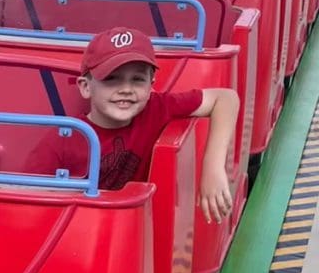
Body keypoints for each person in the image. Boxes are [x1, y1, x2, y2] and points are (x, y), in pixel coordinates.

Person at [26, 26, 238, 223]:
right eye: (112, 79)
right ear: (86, 87)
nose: (126, 89)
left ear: (151, 86)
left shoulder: (156, 108)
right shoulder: (62, 140)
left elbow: (226, 99)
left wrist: (212, 167)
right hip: (78, 230)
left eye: (137, 79)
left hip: (133, 227)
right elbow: (30, 201)